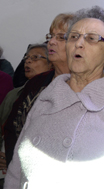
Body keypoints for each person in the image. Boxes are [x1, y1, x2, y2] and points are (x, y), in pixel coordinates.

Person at [1, 6, 104, 189]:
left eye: (92, 38)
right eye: (74, 36)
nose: (79, 43)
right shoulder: (47, 95)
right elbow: (17, 170)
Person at [3, 13, 73, 165]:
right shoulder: (36, 83)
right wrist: (14, 161)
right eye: (51, 36)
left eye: (60, 37)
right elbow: (12, 126)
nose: (51, 42)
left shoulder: (84, 84)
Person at [0, 44, 53, 127]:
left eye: (35, 57)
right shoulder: (13, 94)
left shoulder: (54, 93)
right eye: (26, 58)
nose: (28, 61)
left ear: (51, 63)